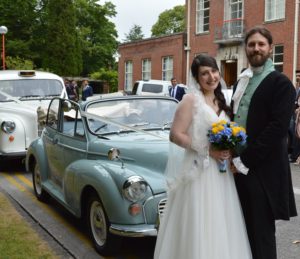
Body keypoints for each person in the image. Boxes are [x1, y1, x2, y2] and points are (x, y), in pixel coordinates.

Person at [154, 54, 252, 259]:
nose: (211, 77)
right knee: (199, 220)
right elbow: (175, 135)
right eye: (204, 73)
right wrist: (208, 151)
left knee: (221, 221)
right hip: (198, 171)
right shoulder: (190, 100)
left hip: (221, 173)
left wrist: (229, 148)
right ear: (196, 78)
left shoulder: (222, 99)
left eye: (214, 71)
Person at [231, 26, 297, 259]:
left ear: (270, 48)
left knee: (261, 235)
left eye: (261, 44)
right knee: (241, 231)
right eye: (251, 44)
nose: (256, 48)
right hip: (237, 169)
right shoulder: (242, 79)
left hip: (263, 171)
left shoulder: (281, 83)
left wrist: (244, 160)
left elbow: (277, 129)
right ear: (245, 48)